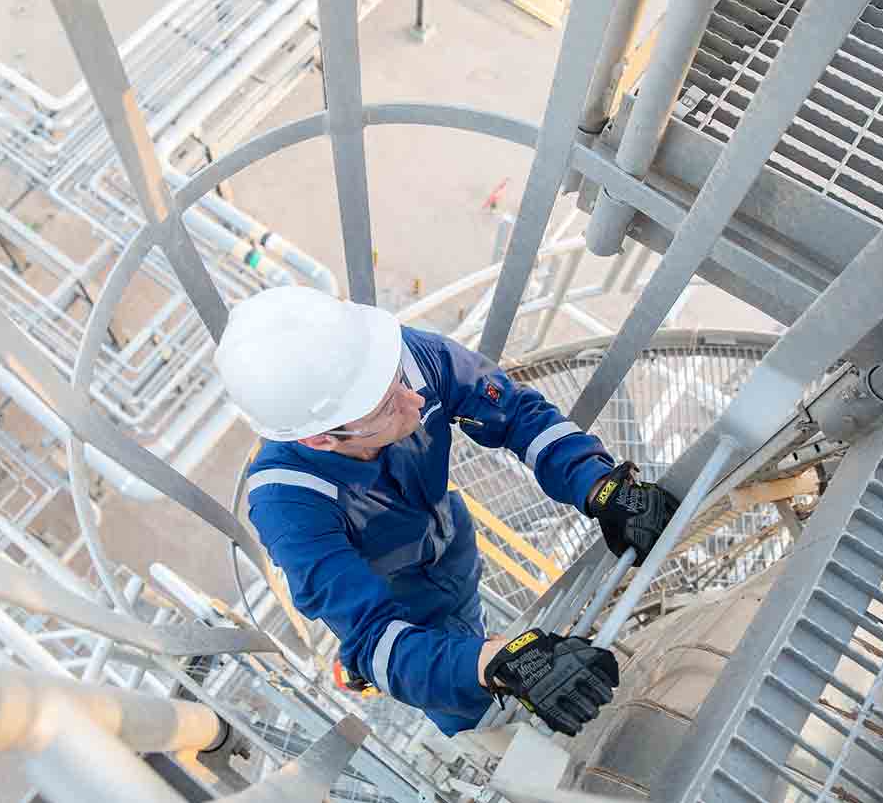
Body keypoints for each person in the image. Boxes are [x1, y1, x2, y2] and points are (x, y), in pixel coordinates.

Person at [214, 286, 680, 737]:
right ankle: (450, 700)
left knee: (468, 622)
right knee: (472, 712)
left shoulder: (397, 363)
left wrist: (599, 487)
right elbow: (377, 640)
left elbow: (515, 415)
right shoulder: (288, 507)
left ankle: (471, 651)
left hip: (453, 549)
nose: (413, 399)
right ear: (319, 439)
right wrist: (494, 665)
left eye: (394, 377)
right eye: (383, 408)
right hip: (406, 612)